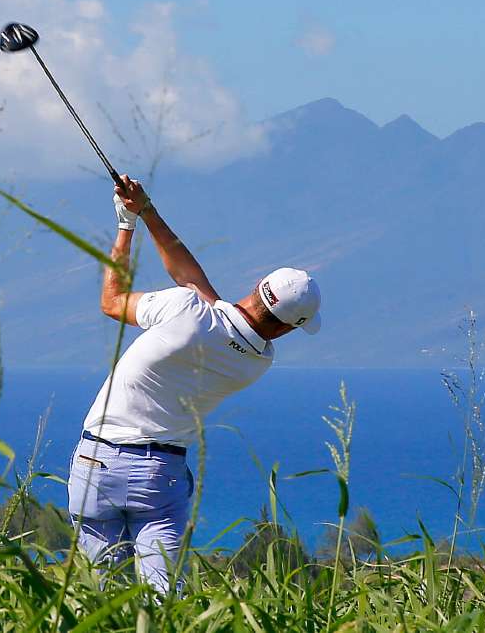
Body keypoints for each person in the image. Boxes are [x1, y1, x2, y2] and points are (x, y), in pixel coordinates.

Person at [66, 175, 322, 592]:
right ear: (286, 329)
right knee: (162, 594)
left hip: (97, 461)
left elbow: (113, 301)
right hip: (159, 475)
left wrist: (129, 223)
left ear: (257, 288)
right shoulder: (257, 361)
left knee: (101, 593)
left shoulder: (186, 309)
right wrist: (146, 211)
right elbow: (197, 286)